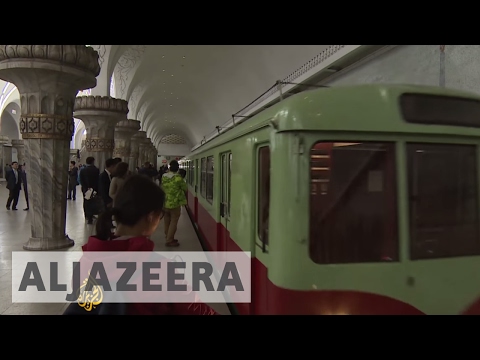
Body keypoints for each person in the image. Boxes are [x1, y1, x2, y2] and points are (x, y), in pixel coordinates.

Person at [74, 174, 218, 315]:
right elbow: (193, 308)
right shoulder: (160, 268)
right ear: (151, 217)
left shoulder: (87, 260)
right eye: (159, 215)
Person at [161, 160, 187, 247]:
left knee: (166, 221)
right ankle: (170, 240)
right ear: (177, 168)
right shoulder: (178, 178)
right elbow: (185, 188)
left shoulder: (164, 176)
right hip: (175, 203)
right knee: (173, 222)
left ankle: (167, 236)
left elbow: (162, 187)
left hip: (165, 202)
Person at [79, 157, 100, 224]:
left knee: (86, 201)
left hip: (86, 189)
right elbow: (97, 180)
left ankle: (87, 216)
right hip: (94, 188)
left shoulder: (83, 170)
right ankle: (92, 215)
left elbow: (81, 180)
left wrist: (85, 187)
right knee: (93, 202)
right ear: (93, 161)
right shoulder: (96, 169)